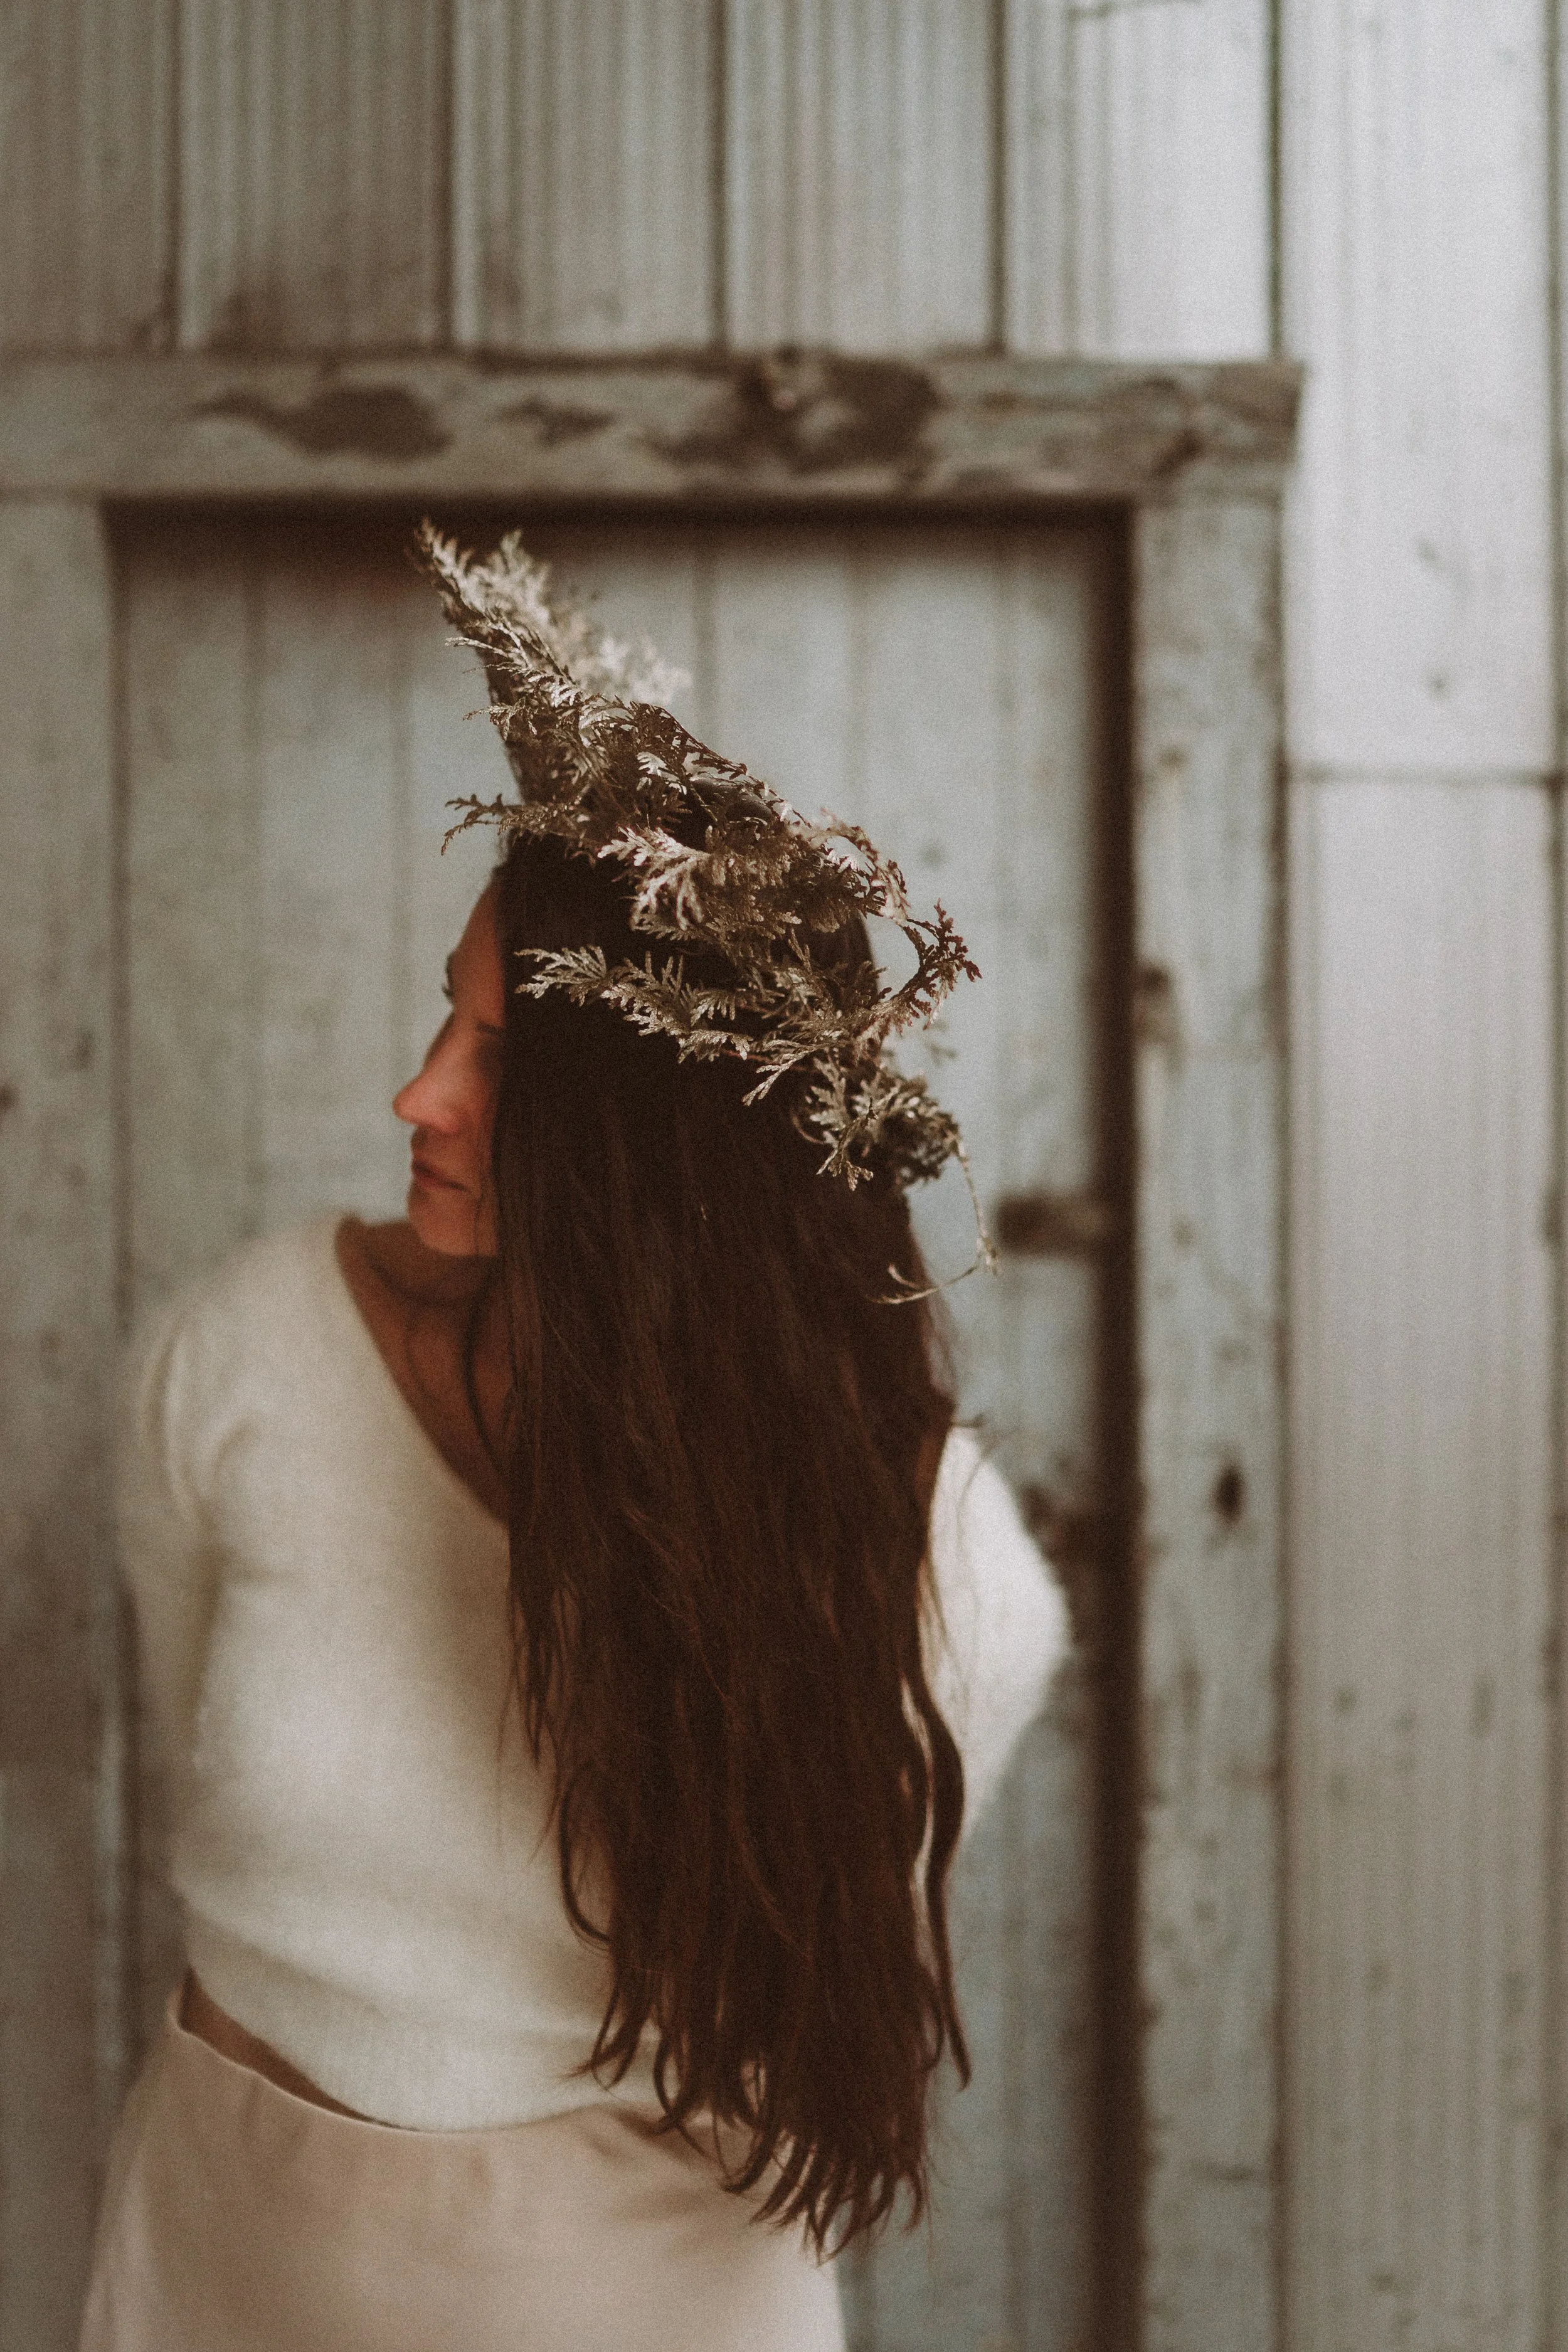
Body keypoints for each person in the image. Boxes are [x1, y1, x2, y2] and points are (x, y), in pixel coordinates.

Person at [80, 534, 1067, 2352]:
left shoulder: (941, 1566)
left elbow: (824, 1989)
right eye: (441, 1018)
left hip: (655, 2299)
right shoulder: (236, 1363)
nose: (417, 1096)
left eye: (492, 1059)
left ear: (656, 1172)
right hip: (229, 2264)